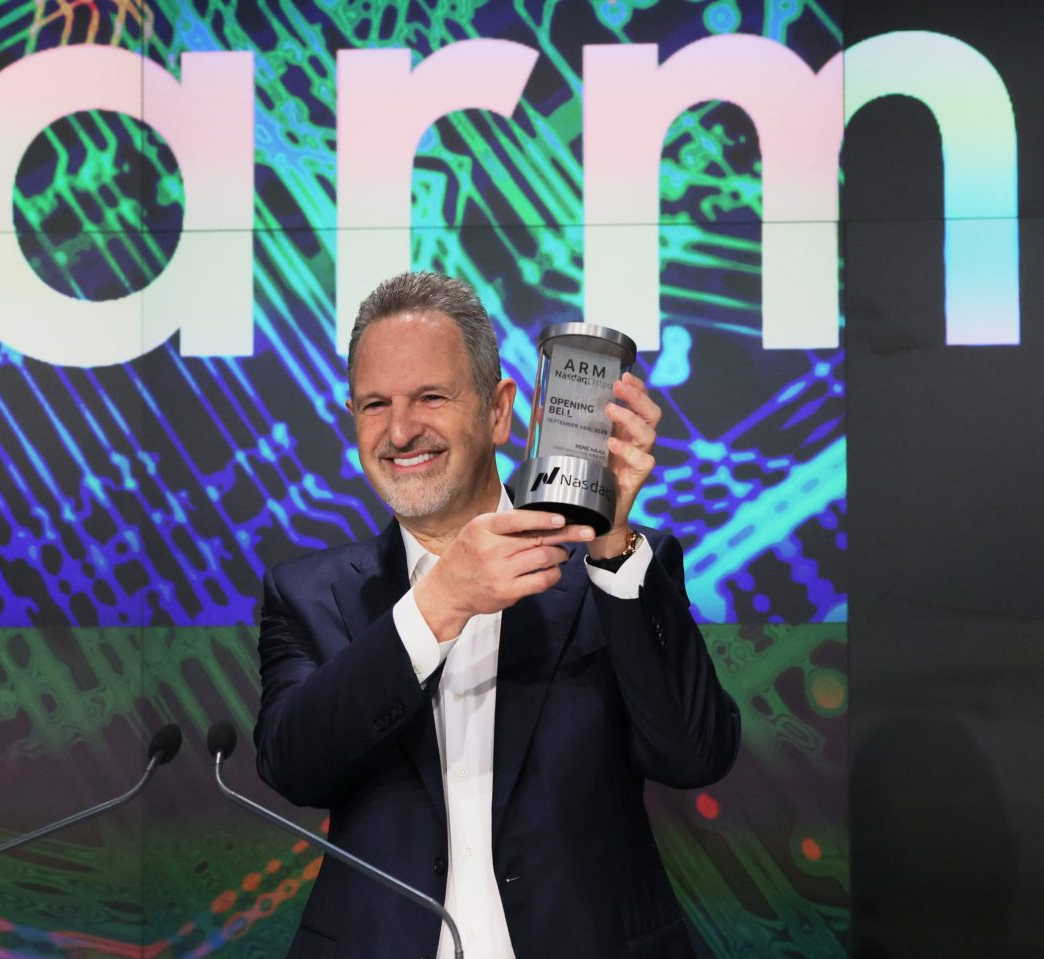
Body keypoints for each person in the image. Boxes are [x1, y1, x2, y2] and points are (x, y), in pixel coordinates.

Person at [254, 271, 740, 958]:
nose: (400, 429)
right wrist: (438, 603)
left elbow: (696, 753)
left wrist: (610, 545)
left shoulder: (615, 565)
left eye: (430, 396)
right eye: (374, 404)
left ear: (498, 409)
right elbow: (292, 767)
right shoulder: (309, 594)